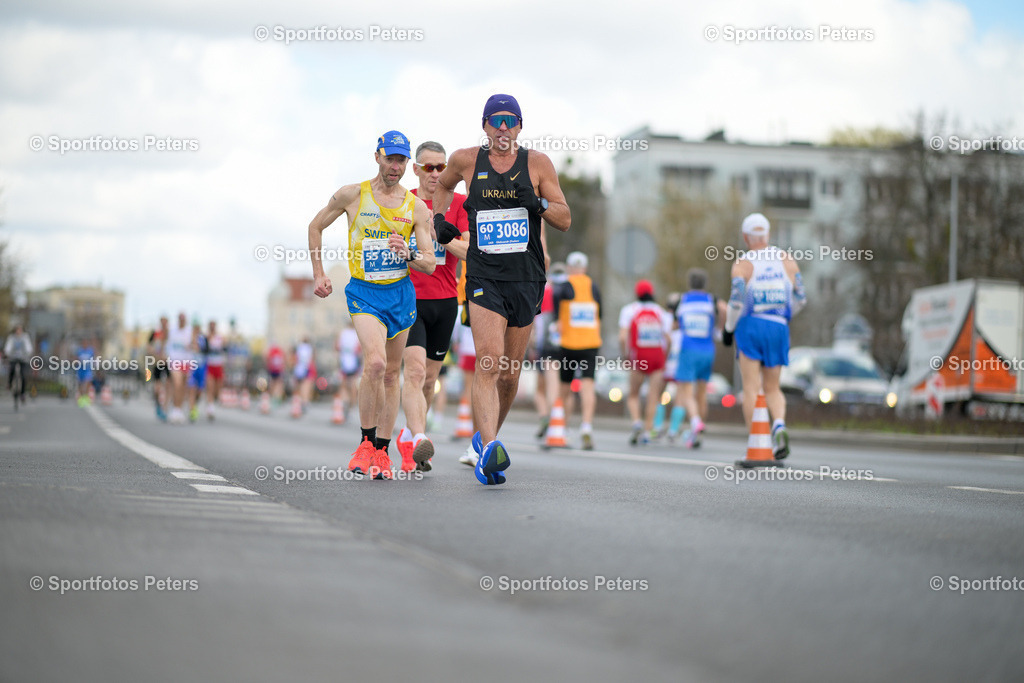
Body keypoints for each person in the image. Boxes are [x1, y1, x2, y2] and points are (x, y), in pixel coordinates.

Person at [432, 94, 571, 484]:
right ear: (486, 126)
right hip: (483, 275)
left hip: (526, 279)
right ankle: (490, 450)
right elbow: (442, 186)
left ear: (521, 127)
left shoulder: (538, 164)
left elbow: (565, 219)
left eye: (511, 121)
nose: (504, 128)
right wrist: (439, 222)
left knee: (510, 374)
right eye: (497, 121)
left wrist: (539, 204)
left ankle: (485, 440)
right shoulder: (466, 160)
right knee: (489, 360)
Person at [309, 130, 435, 480]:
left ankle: (382, 450)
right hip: (364, 293)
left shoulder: (416, 208)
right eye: (390, 158)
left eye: (401, 160)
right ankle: (365, 443)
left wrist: (408, 252)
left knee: (393, 374)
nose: (395, 166)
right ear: (377, 156)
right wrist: (319, 274)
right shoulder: (353, 195)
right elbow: (315, 226)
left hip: (400, 295)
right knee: (376, 364)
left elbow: (429, 262)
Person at [396, 141, 470, 473]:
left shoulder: (459, 203)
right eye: (429, 167)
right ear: (416, 169)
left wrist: (442, 238)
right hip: (409, 298)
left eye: (442, 167)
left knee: (429, 380)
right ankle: (418, 438)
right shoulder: (403, 201)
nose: (437, 174)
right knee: (412, 371)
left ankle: (409, 436)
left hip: (445, 301)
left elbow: (470, 252)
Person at [722, 213, 806, 460]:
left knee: (751, 387)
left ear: (746, 237)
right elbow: (801, 298)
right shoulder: (786, 260)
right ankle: (779, 423)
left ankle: (757, 440)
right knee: (773, 387)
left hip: (750, 326)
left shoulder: (742, 264)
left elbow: (736, 301)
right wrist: (784, 316)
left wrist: (728, 328)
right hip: (778, 326)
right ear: (767, 235)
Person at [670, 269, 726, 447]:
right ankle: (698, 434)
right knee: (701, 393)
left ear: (689, 283)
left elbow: (674, 323)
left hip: (688, 349)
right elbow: (724, 308)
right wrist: (719, 328)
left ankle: (695, 422)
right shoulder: (712, 300)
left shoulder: (683, 300)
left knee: (686, 392)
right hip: (707, 350)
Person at [552, 251, 601, 451]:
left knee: (565, 388)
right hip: (590, 344)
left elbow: (556, 316)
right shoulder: (594, 287)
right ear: (585, 268)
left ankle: (562, 427)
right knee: (587, 386)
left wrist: (558, 322)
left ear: (569, 268)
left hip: (569, 345)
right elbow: (601, 315)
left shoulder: (563, 287)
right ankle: (587, 426)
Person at [618, 280, 673, 446]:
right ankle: (648, 432)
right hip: (657, 356)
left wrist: (626, 355)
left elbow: (622, 337)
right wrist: (665, 356)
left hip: (639, 357)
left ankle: (636, 422)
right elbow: (668, 339)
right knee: (653, 396)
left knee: (633, 394)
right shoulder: (660, 312)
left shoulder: (629, 310)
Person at [533, 261, 567, 440]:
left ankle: (548, 417)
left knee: (542, 388)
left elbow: (536, 321)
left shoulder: (544, 291)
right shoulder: (570, 291)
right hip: (567, 344)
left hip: (546, 345)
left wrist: (532, 345)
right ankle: (556, 419)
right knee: (562, 386)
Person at [165, 312, 194, 424]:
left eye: (183, 319)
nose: (182, 321)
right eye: (180, 319)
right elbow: (167, 345)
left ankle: (179, 409)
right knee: (177, 384)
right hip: (175, 361)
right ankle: (175, 409)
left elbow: (195, 345)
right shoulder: (172, 331)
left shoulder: (189, 332)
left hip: (186, 362)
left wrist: (191, 345)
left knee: (183, 387)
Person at [336, 320, 362, 423]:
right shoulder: (357, 333)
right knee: (351, 385)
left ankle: (346, 404)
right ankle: (349, 405)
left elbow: (337, 347)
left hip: (346, 362)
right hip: (351, 363)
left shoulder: (343, 333)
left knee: (345, 385)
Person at [147, 316, 170, 420]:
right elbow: (149, 346)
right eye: (162, 322)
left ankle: (165, 406)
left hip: (169, 362)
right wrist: (155, 353)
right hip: (158, 363)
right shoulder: (156, 333)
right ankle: (158, 404)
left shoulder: (170, 333)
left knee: (169, 384)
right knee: (158, 385)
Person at [4, 324, 33, 403]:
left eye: (20, 330)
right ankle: (9, 384)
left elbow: (28, 347)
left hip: (23, 359)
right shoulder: (11, 337)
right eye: (17, 330)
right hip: (13, 358)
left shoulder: (25, 337)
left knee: (23, 375)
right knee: (12, 370)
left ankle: (22, 393)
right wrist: (7, 352)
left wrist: (28, 352)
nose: (18, 331)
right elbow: (8, 346)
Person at [204, 320, 226, 420]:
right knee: (210, 387)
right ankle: (210, 407)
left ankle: (214, 400)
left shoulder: (220, 338)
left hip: (218, 365)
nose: (212, 327)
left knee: (217, 390)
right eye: (211, 325)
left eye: (214, 325)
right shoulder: (206, 338)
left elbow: (225, 348)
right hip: (209, 365)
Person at [188, 318, 207, 422]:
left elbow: (205, 350)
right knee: (191, 389)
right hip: (191, 367)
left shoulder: (203, 338)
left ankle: (194, 405)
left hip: (201, 367)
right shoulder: (188, 337)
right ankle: (191, 409)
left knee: (199, 391)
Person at [292, 336, 316, 414]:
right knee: (306, 387)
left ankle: (300, 402)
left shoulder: (299, 347)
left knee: (300, 387)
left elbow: (295, 359)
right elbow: (312, 359)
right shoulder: (309, 348)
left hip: (299, 370)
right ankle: (305, 403)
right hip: (308, 369)